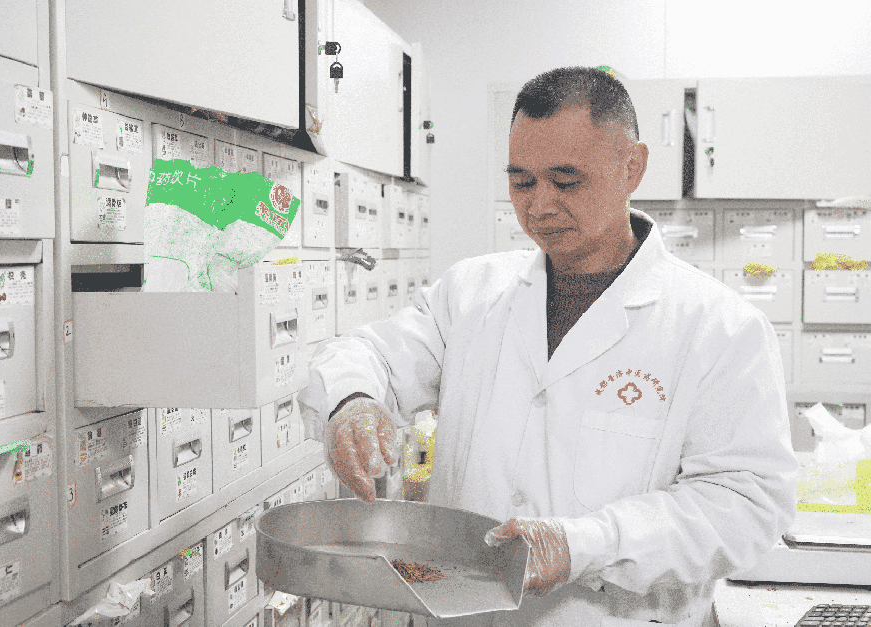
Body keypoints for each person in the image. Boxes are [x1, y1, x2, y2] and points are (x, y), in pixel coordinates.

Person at [298, 66, 798, 627]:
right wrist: (353, 402)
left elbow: (747, 505)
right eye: (522, 182)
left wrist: (585, 544)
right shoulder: (472, 293)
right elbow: (369, 355)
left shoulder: (719, 328)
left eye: (565, 182)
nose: (538, 207)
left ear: (632, 167)